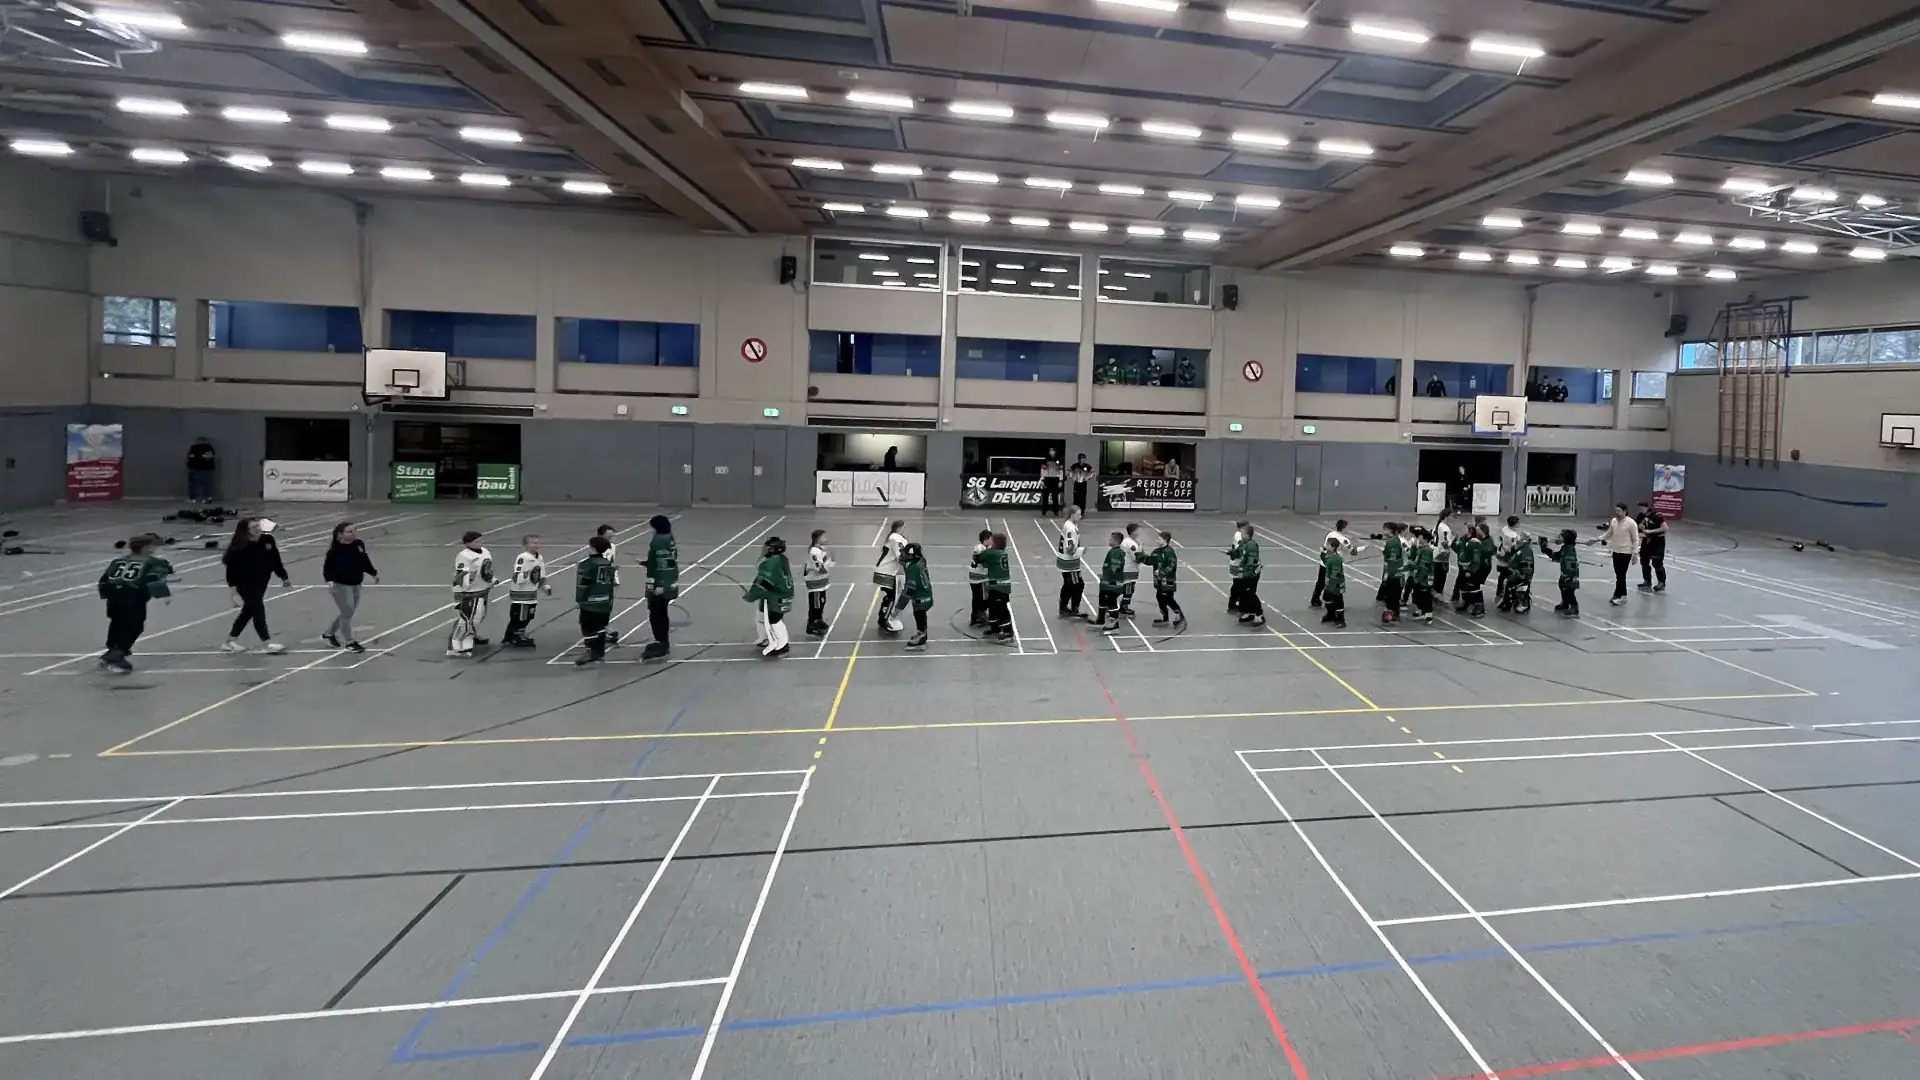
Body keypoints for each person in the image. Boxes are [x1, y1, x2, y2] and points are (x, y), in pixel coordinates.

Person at [97, 533, 174, 673]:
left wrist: (106, 594)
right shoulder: (153, 562)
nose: (154, 549)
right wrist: (164, 594)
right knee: (134, 625)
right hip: (132, 596)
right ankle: (118, 654)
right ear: (146, 548)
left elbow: (104, 580)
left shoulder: (118, 561)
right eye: (152, 546)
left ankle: (111, 650)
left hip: (113, 597)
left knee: (116, 624)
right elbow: (154, 578)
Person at [221, 517, 289, 654]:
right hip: (244, 582)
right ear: (246, 531)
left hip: (262, 581)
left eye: (258, 526)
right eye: (253, 527)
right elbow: (231, 568)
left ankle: (230, 641)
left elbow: (275, 559)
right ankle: (267, 642)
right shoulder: (239, 546)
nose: (258, 529)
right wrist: (233, 589)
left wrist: (283, 576)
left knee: (249, 610)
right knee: (258, 608)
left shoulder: (267, 540)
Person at [322, 521, 378, 652]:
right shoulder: (334, 551)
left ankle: (329, 633)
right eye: (349, 532)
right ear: (340, 534)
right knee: (347, 612)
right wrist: (329, 581)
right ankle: (349, 642)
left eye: (354, 531)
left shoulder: (358, 544)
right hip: (341, 585)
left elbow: (364, 560)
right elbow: (327, 568)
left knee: (348, 612)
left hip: (356, 583)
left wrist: (373, 573)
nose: (353, 534)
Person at [744, 535, 794, 658]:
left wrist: (752, 595)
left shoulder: (771, 563)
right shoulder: (781, 559)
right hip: (779, 593)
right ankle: (766, 638)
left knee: (775, 620)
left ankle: (783, 645)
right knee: (762, 616)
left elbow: (764, 582)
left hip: (777, 596)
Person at [447, 530, 493, 657]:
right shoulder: (464, 556)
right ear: (468, 543)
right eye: (476, 541)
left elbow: (486, 569)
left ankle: (471, 636)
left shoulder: (485, 552)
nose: (480, 543)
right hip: (468, 591)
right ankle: (455, 645)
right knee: (466, 618)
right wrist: (469, 579)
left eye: (481, 540)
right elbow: (460, 575)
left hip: (482, 588)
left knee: (477, 616)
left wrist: (491, 580)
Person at [502, 534, 551, 648]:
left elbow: (541, 574)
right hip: (521, 593)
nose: (536, 545)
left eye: (537, 542)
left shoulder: (539, 557)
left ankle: (514, 635)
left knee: (528, 615)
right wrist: (525, 575)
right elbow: (517, 575)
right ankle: (513, 636)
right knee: (520, 616)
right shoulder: (523, 558)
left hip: (531, 592)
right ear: (526, 545)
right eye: (533, 543)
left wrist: (544, 585)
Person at [573, 535, 616, 665]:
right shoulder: (607, 563)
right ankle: (599, 651)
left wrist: (579, 599)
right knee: (601, 626)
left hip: (591, 602)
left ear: (593, 548)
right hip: (606, 601)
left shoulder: (587, 564)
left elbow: (583, 584)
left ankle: (590, 650)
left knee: (588, 627)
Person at [641, 515, 677, 660]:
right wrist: (647, 563)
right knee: (661, 612)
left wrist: (661, 585)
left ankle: (661, 642)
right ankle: (663, 642)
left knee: (657, 613)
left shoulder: (659, 541)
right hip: (668, 582)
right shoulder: (669, 538)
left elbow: (663, 563)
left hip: (659, 583)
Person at [873, 520, 908, 634]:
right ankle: (885, 620)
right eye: (903, 527)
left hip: (885, 571)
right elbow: (899, 556)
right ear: (899, 528)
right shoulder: (895, 539)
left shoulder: (894, 538)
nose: (904, 530)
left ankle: (882, 617)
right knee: (892, 597)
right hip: (887, 572)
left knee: (890, 596)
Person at [1311, 519, 1355, 608]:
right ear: (1344, 528)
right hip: (1333, 564)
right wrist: (1365, 547)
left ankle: (1315, 599)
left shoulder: (1330, 534)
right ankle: (1333, 602)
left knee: (1321, 582)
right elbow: (1353, 551)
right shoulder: (1343, 539)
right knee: (1333, 583)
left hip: (1324, 561)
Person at [1600, 504, 1639, 606]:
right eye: (1616, 511)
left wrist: (1635, 553)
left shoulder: (1631, 523)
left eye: (1619, 511)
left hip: (1626, 552)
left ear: (1625, 511)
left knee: (1621, 574)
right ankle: (1620, 594)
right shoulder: (1613, 521)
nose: (1617, 513)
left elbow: (1636, 539)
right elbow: (1609, 533)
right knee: (1618, 574)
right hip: (1615, 550)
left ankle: (1620, 595)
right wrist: (1598, 539)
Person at [1228, 522, 1265, 627]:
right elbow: (1239, 552)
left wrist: (1244, 574)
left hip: (1252, 574)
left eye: (1243, 532)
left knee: (1250, 594)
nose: (1241, 534)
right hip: (1244, 572)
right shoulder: (1243, 543)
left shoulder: (1251, 545)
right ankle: (1248, 612)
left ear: (1248, 534)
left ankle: (1259, 614)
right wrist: (1231, 553)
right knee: (1243, 593)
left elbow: (1251, 563)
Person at [979, 532, 1014, 640]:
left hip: (999, 587)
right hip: (998, 586)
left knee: (1001, 608)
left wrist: (983, 549)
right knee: (993, 606)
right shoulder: (1001, 553)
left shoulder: (992, 553)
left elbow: (980, 558)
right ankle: (995, 627)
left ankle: (1007, 630)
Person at [901, 541, 934, 649]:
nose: (904, 556)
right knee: (920, 614)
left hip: (921, 597)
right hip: (926, 593)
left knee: (919, 614)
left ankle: (921, 638)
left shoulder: (913, 569)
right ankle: (921, 632)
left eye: (907, 554)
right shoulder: (921, 561)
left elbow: (909, 589)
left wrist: (899, 607)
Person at [1147, 530, 1184, 627]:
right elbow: (1149, 560)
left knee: (1168, 598)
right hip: (1159, 581)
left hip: (1167, 581)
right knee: (1160, 597)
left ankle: (1179, 614)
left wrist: (1162, 572)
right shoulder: (1157, 551)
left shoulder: (1169, 552)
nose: (1157, 540)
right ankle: (1165, 617)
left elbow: (1172, 565)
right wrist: (1139, 554)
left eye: (1159, 539)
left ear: (1165, 540)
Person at [1456, 524, 1494, 618]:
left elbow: (1487, 550)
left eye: (1478, 530)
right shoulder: (1474, 539)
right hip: (1471, 566)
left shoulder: (1488, 541)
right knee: (1464, 582)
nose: (1476, 532)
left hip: (1482, 567)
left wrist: (1477, 544)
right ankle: (1466, 601)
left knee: (1473, 584)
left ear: (1482, 531)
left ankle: (1479, 606)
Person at [1055, 505, 1087, 618]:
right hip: (1070, 562)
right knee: (1077, 584)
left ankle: (1063, 607)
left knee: (1068, 584)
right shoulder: (1070, 528)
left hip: (1065, 560)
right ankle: (1074, 608)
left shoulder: (1071, 525)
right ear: (1072, 514)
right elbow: (1070, 548)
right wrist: (1081, 551)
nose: (1080, 516)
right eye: (1078, 514)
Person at [1542, 529, 1580, 616]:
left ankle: (1574, 607)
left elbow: (1570, 565)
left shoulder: (1569, 551)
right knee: (1562, 587)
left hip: (1569, 574)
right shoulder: (1565, 548)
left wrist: (1568, 576)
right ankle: (1565, 603)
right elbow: (1556, 556)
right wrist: (1546, 550)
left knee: (1569, 590)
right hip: (1564, 573)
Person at [804, 529, 834, 636]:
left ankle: (818, 620)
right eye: (823, 537)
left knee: (821, 602)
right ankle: (812, 624)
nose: (826, 539)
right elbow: (820, 568)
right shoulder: (814, 552)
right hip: (815, 583)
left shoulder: (820, 550)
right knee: (816, 605)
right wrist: (830, 563)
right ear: (817, 539)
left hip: (821, 582)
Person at [1097, 531, 1128, 634]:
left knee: (1111, 602)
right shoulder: (1113, 551)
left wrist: (1107, 577)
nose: (1109, 540)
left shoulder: (1116, 553)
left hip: (1112, 583)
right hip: (1107, 582)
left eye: (1110, 539)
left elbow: (1114, 567)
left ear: (1115, 541)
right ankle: (1101, 620)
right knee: (1103, 599)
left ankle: (1114, 625)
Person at [1377, 522, 1406, 623]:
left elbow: (1392, 559)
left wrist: (1387, 573)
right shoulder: (1394, 540)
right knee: (1391, 594)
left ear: (1390, 530)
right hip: (1395, 571)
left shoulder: (1392, 542)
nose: (1384, 531)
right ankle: (1393, 612)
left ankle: (1394, 613)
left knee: (1392, 594)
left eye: (1385, 529)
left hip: (1393, 572)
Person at [1636, 503, 1668, 593]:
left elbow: (1665, 528)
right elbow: (1638, 526)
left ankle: (1661, 582)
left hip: (1657, 541)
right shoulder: (1641, 516)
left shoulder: (1656, 516)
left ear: (1647, 508)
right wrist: (1640, 527)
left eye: (1641, 508)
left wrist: (1651, 531)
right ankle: (1647, 581)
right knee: (1644, 561)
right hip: (1646, 541)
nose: (1640, 510)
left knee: (1657, 562)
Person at [1407, 527, 1436, 623]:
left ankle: (1428, 614)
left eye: (1420, 537)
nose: (1418, 539)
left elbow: (1424, 566)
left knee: (1425, 595)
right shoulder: (1420, 549)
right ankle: (1420, 610)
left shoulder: (1426, 551)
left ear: (1425, 539)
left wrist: (1421, 577)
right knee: (1417, 594)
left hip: (1424, 578)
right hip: (1418, 576)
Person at [1494, 515, 1523, 610]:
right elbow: (1514, 547)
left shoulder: (1504, 529)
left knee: (1502, 575)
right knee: (1509, 576)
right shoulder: (1513, 536)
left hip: (1500, 554)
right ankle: (1505, 594)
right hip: (1507, 558)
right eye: (1518, 522)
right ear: (1515, 524)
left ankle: (1499, 592)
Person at [1503, 528, 1535, 612]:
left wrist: (1522, 574)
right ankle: (1510, 601)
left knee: (1514, 584)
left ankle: (1524, 603)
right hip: (1519, 573)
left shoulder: (1526, 550)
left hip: (1523, 575)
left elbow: (1526, 564)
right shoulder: (1520, 549)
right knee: (1508, 581)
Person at [1319, 536, 1348, 629]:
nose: (1326, 546)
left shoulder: (1336, 559)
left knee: (1338, 601)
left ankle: (1341, 620)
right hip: (1329, 582)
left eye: (1328, 545)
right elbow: (1326, 562)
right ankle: (1331, 614)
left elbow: (1336, 572)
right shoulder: (1330, 556)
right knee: (1326, 598)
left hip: (1335, 583)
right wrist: (1322, 554)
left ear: (1332, 547)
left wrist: (1333, 582)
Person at [968, 528, 992, 627]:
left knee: (976, 597)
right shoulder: (981, 549)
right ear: (985, 539)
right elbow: (984, 562)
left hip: (975, 577)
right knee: (983, 598)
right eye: (990, 539)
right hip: (980, 578)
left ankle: (975, 616)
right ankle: (980, 616)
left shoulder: (980, 547)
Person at [1119, 523, 1144, 617]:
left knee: (1125, 587)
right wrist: (1141, 550)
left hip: (1124, 567)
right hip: (1129, 569)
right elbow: (1137, 559)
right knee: (1128, 588)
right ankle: (1124, 607)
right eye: (1138, 530)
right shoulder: (1132, 544)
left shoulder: (1125, 541)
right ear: (1134, 532)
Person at [1432, 509, 1454, 603]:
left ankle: (1433, 592)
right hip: (1442, 555)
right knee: (1441, 576)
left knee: (1435, 575)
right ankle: (1438, 594)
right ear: (1447, 517)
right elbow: (1445, 543)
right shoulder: (1445, 529)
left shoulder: (1436, 526)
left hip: (1434, 552)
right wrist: (1452, 542)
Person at [186, 437, 217, 504]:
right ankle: (207, 498)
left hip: (195, 468)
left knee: (194, 484)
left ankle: (194, 498)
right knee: (206, 484)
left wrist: (189, 465)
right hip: (207, 468)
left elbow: (190, 457)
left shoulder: (194, 448)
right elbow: (210, 457)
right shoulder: (209, 448)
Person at [1039, 449, 1065, 517]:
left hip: (1055, 479)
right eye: (1050, 451)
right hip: (1047, 479)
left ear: (1055, 452)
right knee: (1045, 497)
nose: (1051, 452)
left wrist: (1060, 481)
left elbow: (1061, 471)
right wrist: (1042, 480)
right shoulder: (1046, 459)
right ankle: (1044, 512)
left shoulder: (1059, 460)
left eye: (1052, 451)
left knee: (1055, 497)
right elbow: (1043, 470)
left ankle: (1055, 511)